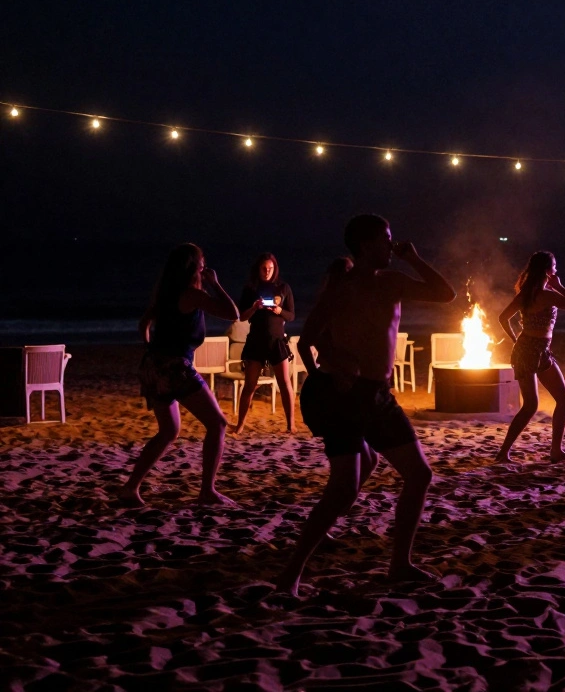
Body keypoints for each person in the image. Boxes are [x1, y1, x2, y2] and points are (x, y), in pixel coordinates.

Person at [275, 215, 456, 596]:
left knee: (418, 475)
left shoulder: (393, 281)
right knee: (343, 489)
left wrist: (414, 258)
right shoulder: (342, 288)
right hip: (346, 396)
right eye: (386, 240)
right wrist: (333, 367)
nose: (392, 245)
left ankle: (400, 564)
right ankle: (290, 576)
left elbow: (446, 294)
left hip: (378, 395)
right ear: (365, 245)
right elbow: (308, 339)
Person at [119, 244, 239, 508]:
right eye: (202, 262)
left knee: (169, 430)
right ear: (194, 266)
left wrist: (152, 350)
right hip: (175, 367)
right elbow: (234, 314)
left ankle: (130, 488)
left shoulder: (166, 293)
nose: (205, 266)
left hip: (153, 366)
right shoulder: (192, 295)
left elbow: (143, 325)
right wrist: (216, 284)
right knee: (218, 424)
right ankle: (207, 491)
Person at [495, 251, 565, 463]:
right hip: (532, 351)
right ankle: (507, 452)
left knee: (556, 400)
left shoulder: (526, 293)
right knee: (537, 404)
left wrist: (515, 339)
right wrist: (559, 286)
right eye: (554, 267)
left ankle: (552, 451)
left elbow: (502, 318)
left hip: (533, 349)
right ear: (547, 271)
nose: (556, 270)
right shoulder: (547, 295)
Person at [231, 253, 297, 434]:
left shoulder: (283, 287)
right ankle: (240, 425)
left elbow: (291, 316)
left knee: (285, 383)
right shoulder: (251, 288)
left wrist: (279, 310)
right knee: (249, 385)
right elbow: (241, 317)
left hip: (277, 341)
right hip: (256, 340)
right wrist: (254, 307)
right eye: (264, 268)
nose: (267, 271)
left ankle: (291, 425)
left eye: (270, 268)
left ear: (275, 269)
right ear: (258, 269)